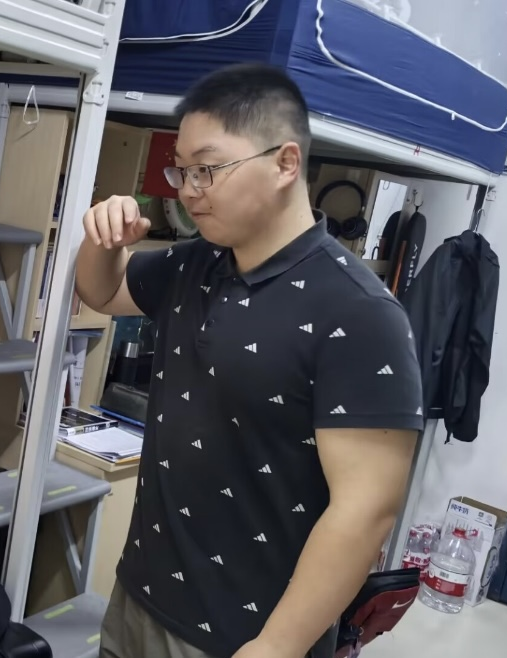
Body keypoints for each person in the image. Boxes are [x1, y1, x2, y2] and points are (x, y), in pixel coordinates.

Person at [75, 63, 423, 658]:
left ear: (285, 163)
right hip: (139, 597)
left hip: (243, 637)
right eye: (181, 170)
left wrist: (276, 648)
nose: (188, 190)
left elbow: (366, 512)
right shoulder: (194, 263)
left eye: (207, 168)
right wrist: (103, 241)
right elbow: (101, 291)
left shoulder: (361, 314)